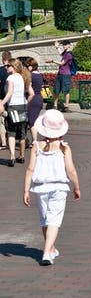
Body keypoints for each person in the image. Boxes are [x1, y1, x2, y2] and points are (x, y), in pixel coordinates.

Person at [23, 109, 80, 266]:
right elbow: (71, 170)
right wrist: (76, 187)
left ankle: (51, 248)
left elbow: (30, 169)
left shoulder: (37, 146)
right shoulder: (64, 148)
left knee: (45, 220)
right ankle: (47, 252)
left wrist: (26, 190)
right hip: (59, 188)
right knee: (54, 221)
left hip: (41, 188)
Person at [0, 59, 33, 166]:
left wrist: (2, 103)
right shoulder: (21, 77)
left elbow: (10, 93)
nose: (6, 67)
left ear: (13, 66)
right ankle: (22, 156)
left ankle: (12, 157)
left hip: (13, 106)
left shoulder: (11, 77)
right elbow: (30, 93)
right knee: (22, 133)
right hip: (22, 106)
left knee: (11, 132)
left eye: (8, 65)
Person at [26, 58, 45, 143]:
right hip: (39, 98)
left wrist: (26, 102)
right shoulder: (40, 74)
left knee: (32, 121)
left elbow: (30, 90)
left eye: (27, 66)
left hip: (33, 99)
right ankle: (34, 140)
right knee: (33, 120)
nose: (26, 68)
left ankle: (34, 141)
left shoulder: (30, 76)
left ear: (31, 66)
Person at [53, 40, 73, 111]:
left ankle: (66, 106)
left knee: (66, 91)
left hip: (66, 75)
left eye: (65, 44)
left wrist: (52, 61)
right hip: (60, 74)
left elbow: (62, 63)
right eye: (63, 45)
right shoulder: (65, 53)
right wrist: (57, 47)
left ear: (69, 45)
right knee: (56, 90)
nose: (64, 46)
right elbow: (60, 53)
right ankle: (55, 105)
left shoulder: (69, 55)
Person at [0, 49, 10, 150]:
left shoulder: (1, 70)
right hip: (12, 99)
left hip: (2, 98)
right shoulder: (15, 70)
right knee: (11, 118)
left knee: (1, 120)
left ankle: (3, 142)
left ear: (3, 59)